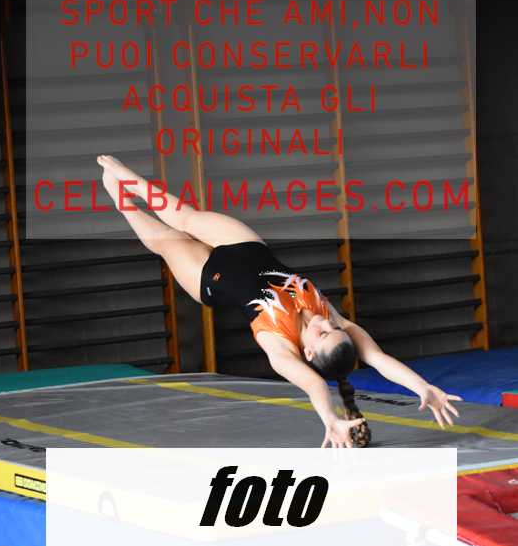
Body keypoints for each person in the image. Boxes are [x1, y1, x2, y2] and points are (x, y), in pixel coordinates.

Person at [97, 155, 462, 449]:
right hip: (246, 246)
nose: (325, 322)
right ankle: (129, 178)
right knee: (185, 216)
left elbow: (315, 385)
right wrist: (423, 387)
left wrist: (330, 418)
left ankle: (121, 199)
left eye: (323, 333)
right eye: (333, 326)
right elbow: (379, 359)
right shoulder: (334, 322)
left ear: (308, 353)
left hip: (209, 279)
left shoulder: (280, 347)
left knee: (163, 240)